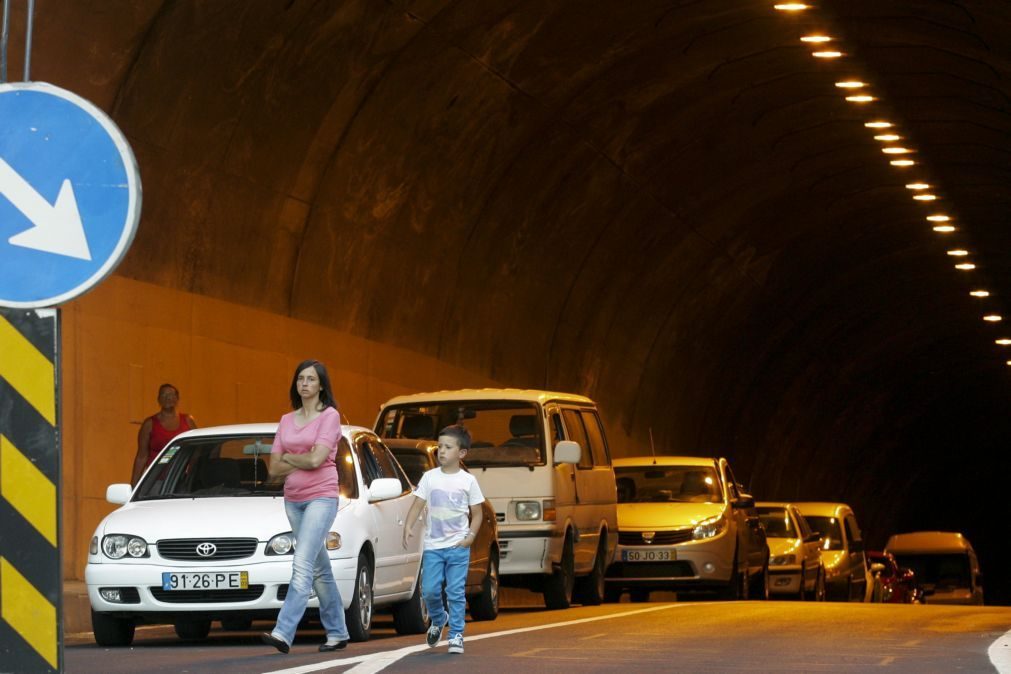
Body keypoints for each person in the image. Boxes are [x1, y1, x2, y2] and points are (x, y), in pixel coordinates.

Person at [260, 359, 350, 654]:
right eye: (300, 379)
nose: (305, 384)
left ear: (321, 385)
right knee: (320, 568)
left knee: (302, 563)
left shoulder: (330, 416)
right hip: (293, 500)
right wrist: (302, 458)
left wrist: (291, 459)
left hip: (322, 497)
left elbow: (316, 461)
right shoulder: (287, 420)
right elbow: (273, 468)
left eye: (311, 379)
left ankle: (283, 632)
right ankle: (338, 632)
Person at [402, 424, 485, 655]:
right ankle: (439, 619)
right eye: (439, 446)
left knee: (455, 592)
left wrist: (470, 537)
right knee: (429, 590)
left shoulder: (468, 481)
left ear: (462, 453)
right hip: (433, 547)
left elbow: (477, 513)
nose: (441, 451)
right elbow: (417, 504)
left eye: (448, 447)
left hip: (458, 545)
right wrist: (408, 526)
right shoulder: (429, 478)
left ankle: (456, 634)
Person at [132, 383, 197, 486]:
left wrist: (192, 477)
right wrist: (133, 486)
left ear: (177, 398)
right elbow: (141, 456)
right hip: (155, 481)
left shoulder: (188, 421)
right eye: (163, 395)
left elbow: (196, 451)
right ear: (158, 399)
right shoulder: (150, 424)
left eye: (171, 394)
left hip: (181, 480)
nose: (167, 398)